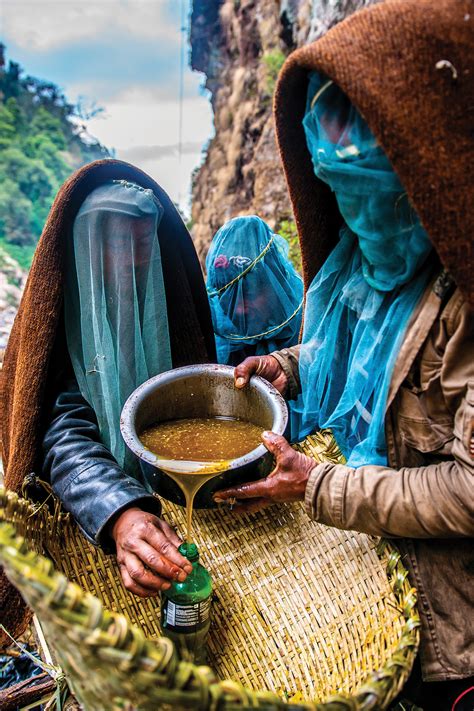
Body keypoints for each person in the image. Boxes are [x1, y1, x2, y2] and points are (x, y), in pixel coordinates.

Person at [214, 0, 473, 707]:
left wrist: (320, 486)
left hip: (453, 631)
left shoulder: (460, 302)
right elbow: (350, 354)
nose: (358, 222)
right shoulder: (363, 262)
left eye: (375, 200)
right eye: (342, 199)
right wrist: (288, 367)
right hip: (375, 572)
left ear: (430, 176)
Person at [1, 160, 217, 640]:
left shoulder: (164, 296)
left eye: (144, 240)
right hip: (93, 511)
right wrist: (118, 511)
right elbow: (57, 427)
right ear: (86, 247)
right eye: (118, 242)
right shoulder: (57, 319)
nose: (136, 258)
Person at [206, 215, 303, 366]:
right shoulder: (220, 345)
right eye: (227, 299)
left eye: (249, 295)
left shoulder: (307, 329)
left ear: (275, 283)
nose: (238, 310)